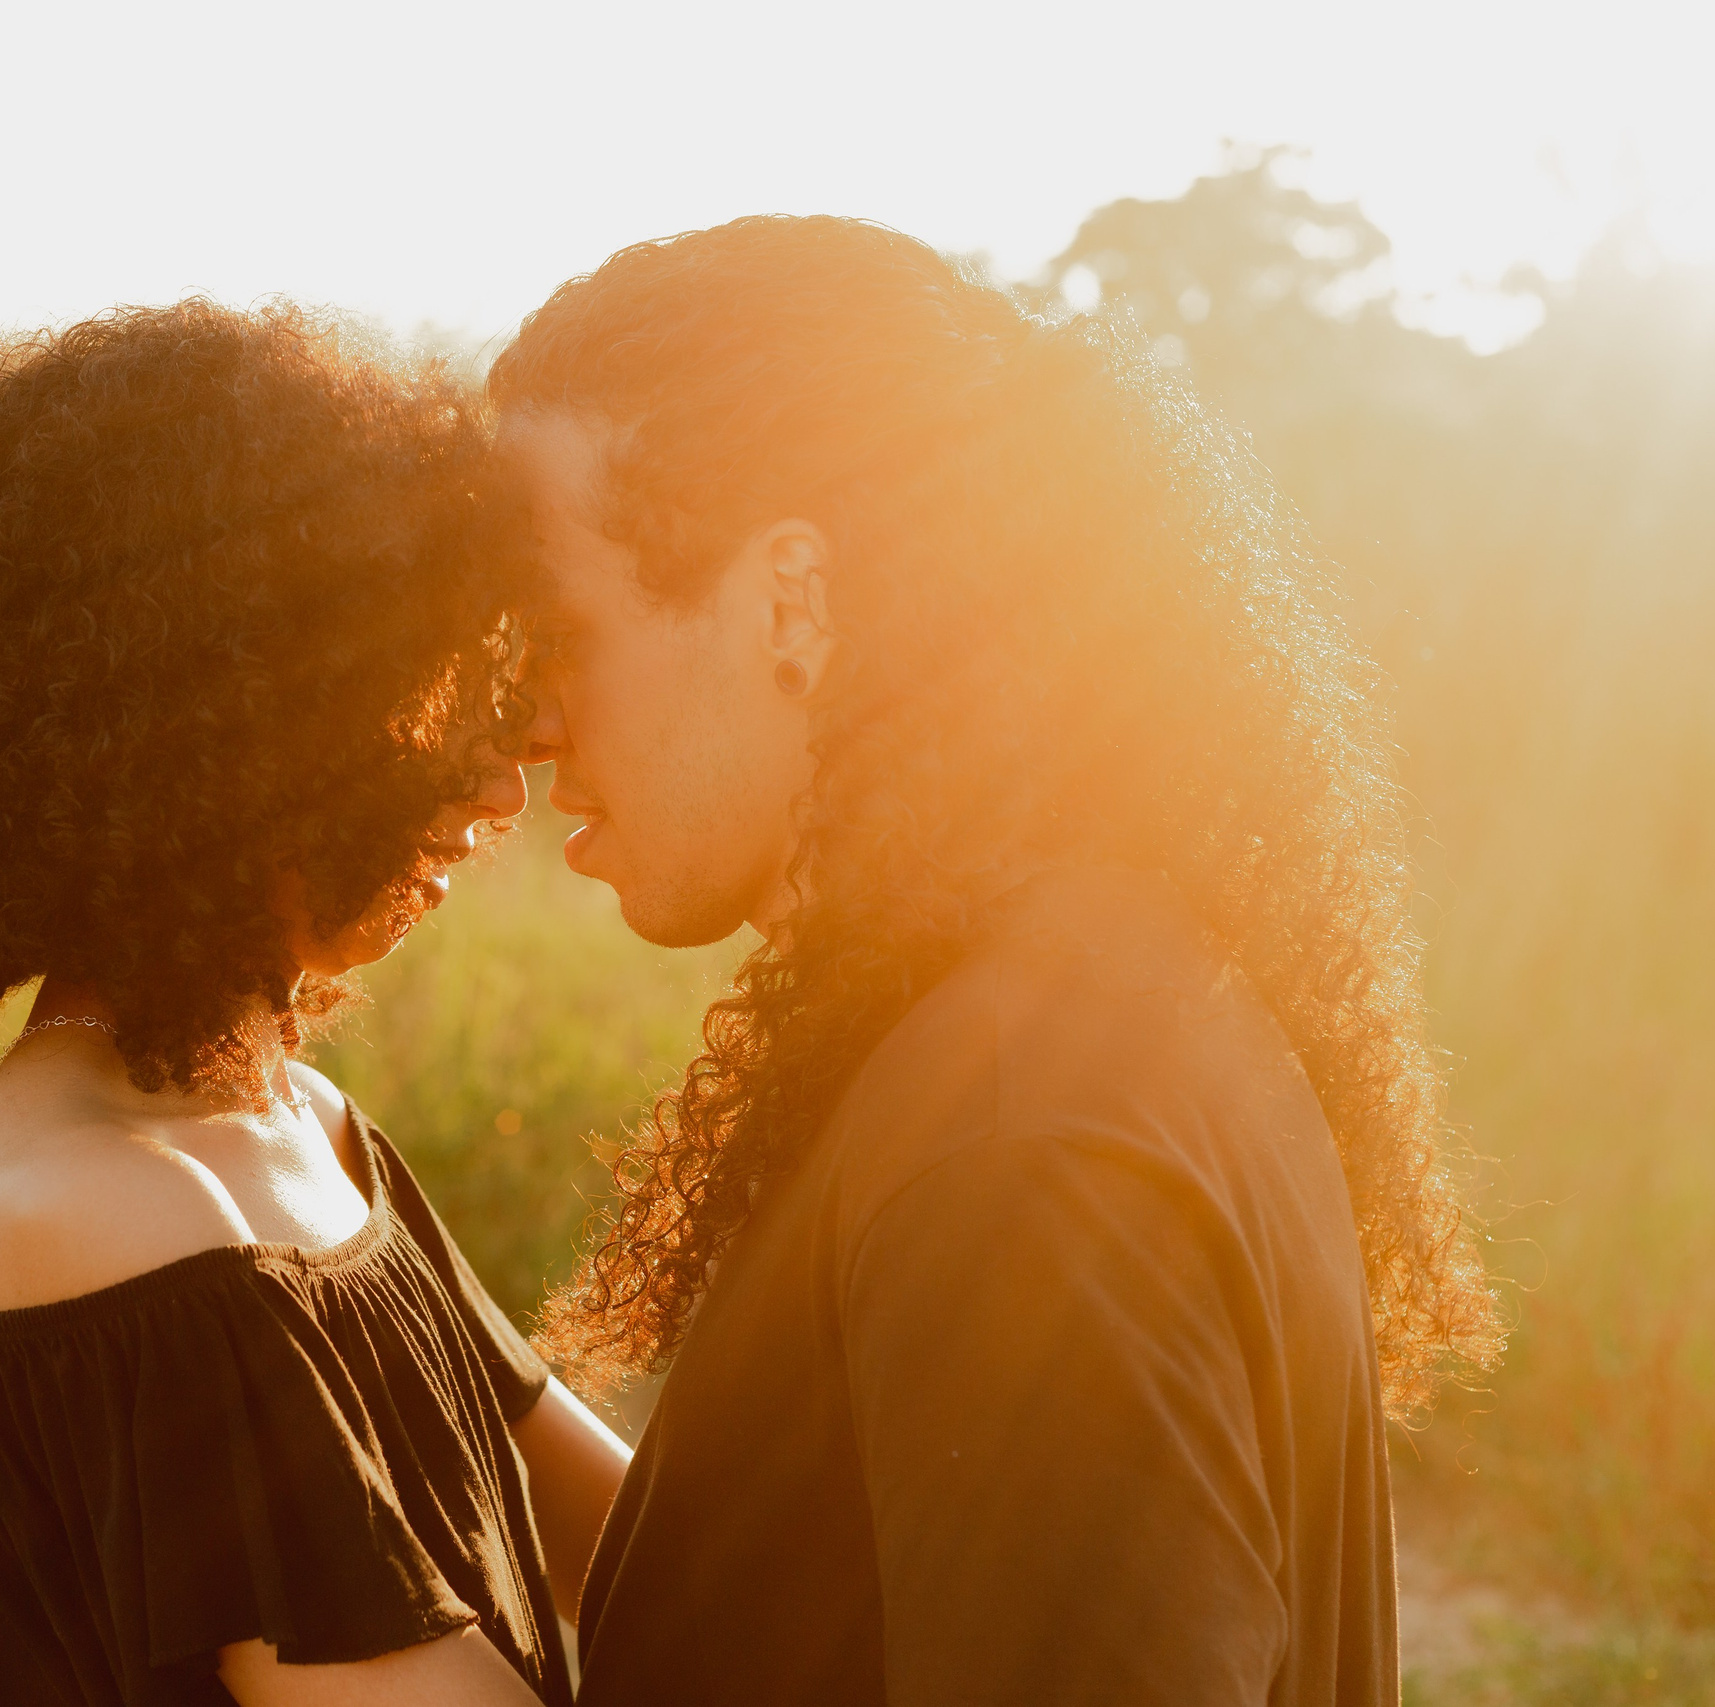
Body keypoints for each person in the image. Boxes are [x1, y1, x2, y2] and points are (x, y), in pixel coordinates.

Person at [491, 216, 1504, 1706]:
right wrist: (411, 1341)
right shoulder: (1047, 997)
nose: (529, 725)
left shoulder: (1023, 1147)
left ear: (794, 600)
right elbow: (817, 1614)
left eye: (557, 631)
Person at [0, 302, 628, 1707]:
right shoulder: (108, 1227)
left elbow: (639, 1545)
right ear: (229, 735)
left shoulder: (295, 1120)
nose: (499, 786)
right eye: (428, 700)